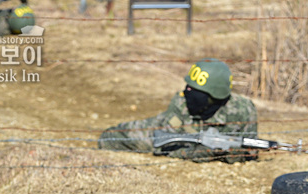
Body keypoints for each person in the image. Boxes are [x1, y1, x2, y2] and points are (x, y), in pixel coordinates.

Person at [98, 58, 258, 163]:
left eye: (196, 91)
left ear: (215, 95)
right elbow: (167, 149)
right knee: (110, 138)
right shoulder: (181, 104)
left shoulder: (243, 110)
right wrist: (204, 153)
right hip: (166, 129)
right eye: (189, 88)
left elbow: (250, 152)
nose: (188, 92)